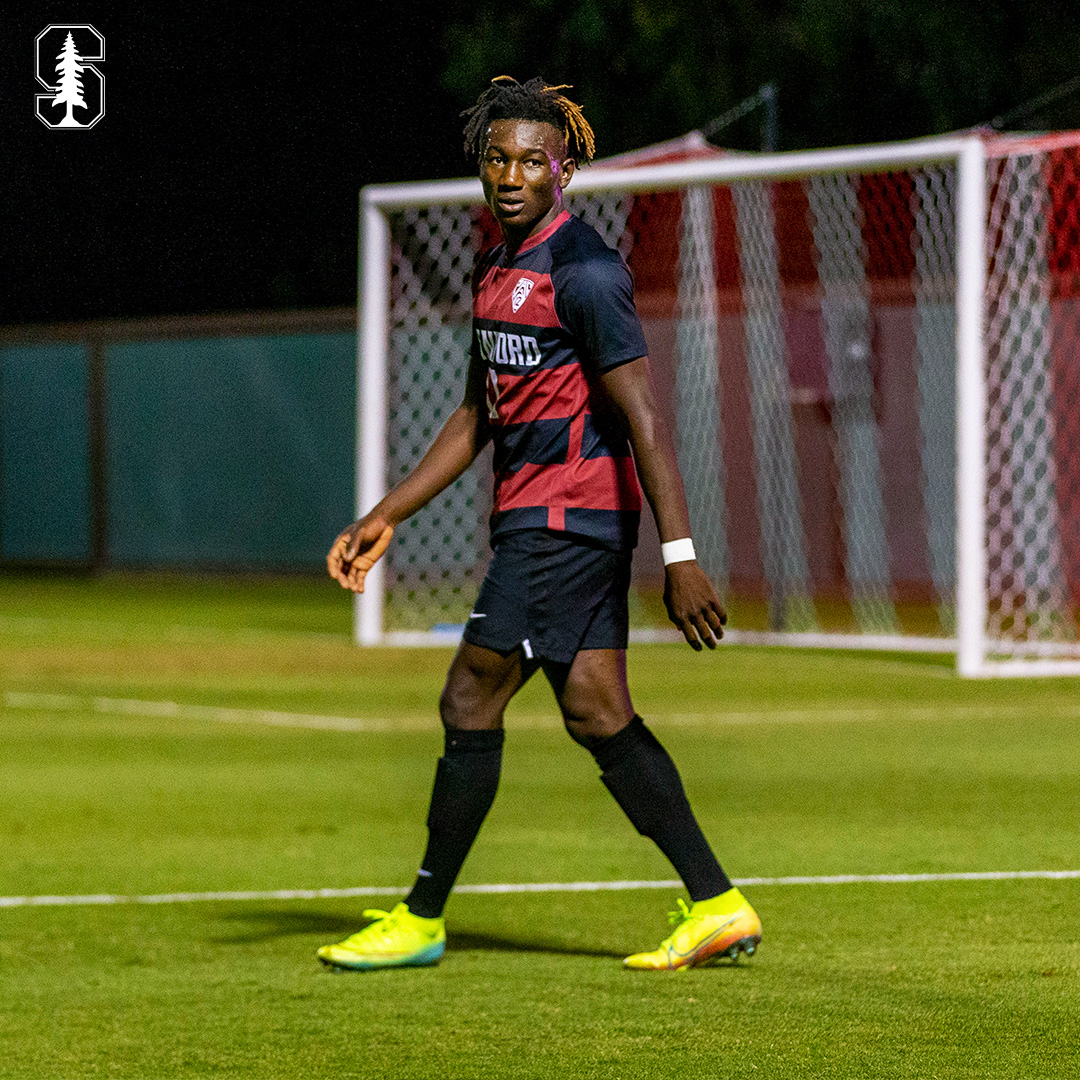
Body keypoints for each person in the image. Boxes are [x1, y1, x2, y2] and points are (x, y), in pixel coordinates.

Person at [320, 76, 760, 972]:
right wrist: (384, 515)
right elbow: (477, 417)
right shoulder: (495, 271)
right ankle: (718, 903)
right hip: (545, 522)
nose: (512, 174)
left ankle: (423, 916)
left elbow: (643, 416)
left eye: (532, 160)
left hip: (567, 524)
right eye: (498, 159)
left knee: (469, 695)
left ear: (565, 170)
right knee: (599, 713)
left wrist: (680, 555)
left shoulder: (585, 272)